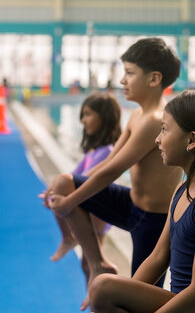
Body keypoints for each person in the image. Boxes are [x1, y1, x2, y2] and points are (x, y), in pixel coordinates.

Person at [42, 38, 183, 308]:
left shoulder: (156, 120)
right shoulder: (136, 116)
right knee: (63, 182)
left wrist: (70, 202)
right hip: (131, 204)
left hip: (153, 223)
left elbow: (114, 171)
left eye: (129, 73)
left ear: (154, 79)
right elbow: (107, 162)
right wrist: (64, 191)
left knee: (139, 299)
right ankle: (98, 264)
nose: (122, 80)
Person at [89, 89, 195, 312]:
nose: (157, 139)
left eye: (164, 130)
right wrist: (124, 293)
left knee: (103, 287)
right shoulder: (183, 189)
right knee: (104, 291)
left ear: (191, 140)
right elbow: (159, 257)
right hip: (184, 303)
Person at [41, 92, 121, 278]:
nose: (83, 121)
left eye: (88, 115)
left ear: (105, 119)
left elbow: (87, 180)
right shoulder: (94, 151)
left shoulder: (107, 151)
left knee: (93, 264)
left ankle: (98, 302)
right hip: (90, 209)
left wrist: (57, 192)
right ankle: (94, 300)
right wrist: (51, 190)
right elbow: (74, 175)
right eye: (83, 115)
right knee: (88, 264)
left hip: (98, 212)